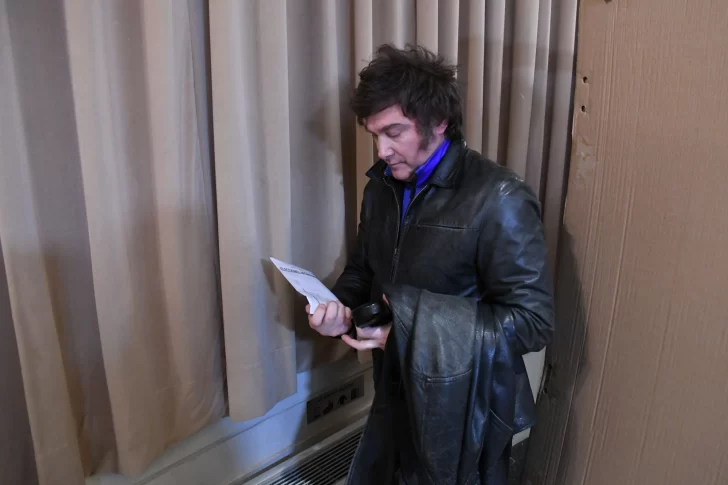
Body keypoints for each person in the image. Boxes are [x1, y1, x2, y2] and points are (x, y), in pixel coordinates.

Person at [307, 44, 554, 485]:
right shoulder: (381, 188)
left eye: (394, 132)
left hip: (464, 401)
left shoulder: (500, 198)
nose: (382, 151)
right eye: (374, 135)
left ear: (438, 121)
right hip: (395, 381)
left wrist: (408, 336)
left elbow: (533, 322)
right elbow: (364, 270)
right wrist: (336, 309)